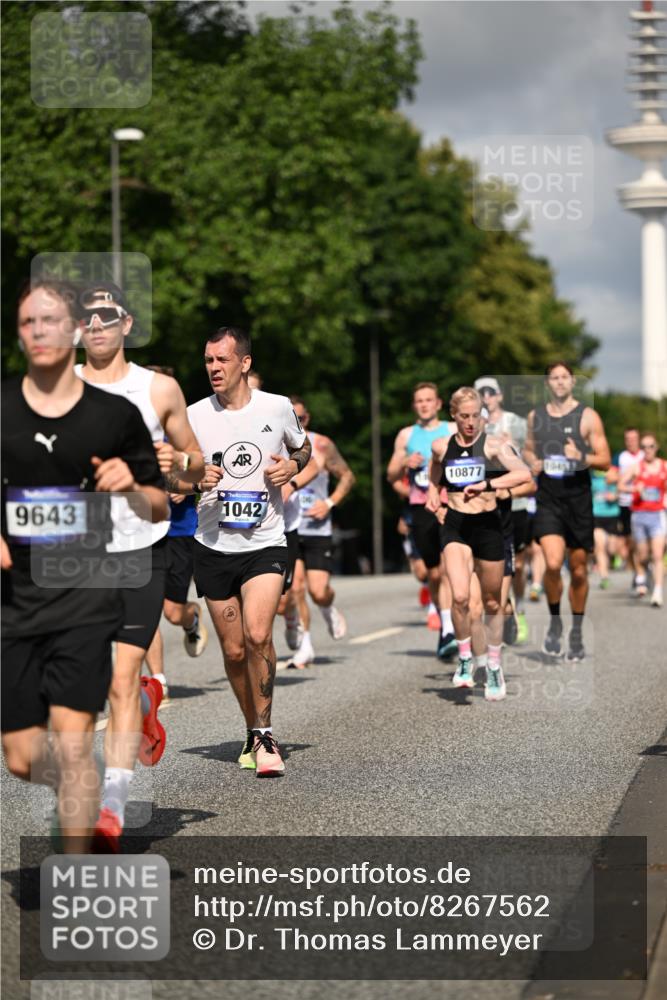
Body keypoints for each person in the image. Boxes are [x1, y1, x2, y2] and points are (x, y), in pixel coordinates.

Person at [2, 279, 166, 853]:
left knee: (72, 744)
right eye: (29, 322)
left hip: (87, 596)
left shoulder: (113, 415)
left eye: (51, 320)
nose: (40, 331)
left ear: (74, 330)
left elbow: (160, 502)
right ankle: (80, 783)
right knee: (23, 757)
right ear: (20, 333)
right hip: (16, 601)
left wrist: (131, 489)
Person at [76, 281, 204, 848]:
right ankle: (148, 703)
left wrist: (177, 465)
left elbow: (196, 468)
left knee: (122, 679)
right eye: (87, 316)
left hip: (142, 548)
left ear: (127, 323)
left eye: (107, 315)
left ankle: (111, 807)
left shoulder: (160, 390)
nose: (96, 325)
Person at [185, 326, 311, 776]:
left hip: (266, 542)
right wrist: (192, 480)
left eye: (222, 360)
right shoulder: (193, 415)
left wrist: (292, 467)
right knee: (235, 652)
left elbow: (304, 448)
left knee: (259, 635)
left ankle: (265, 732)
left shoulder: (276, 408)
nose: (214, 368)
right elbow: (171, 477)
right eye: (208, 361)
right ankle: (251, 727)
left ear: (245, 363)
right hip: (213, 545)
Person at [428, 387, 531, 701]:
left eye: (475, 416)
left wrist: (488, 483)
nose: (471, 422)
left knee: (491, 603)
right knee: (459, 597)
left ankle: (495, 664)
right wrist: (434, 491)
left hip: (488, 526)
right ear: (454, 416)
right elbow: (435, 471)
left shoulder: (494, 445)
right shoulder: (440, 446)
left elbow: (524, 474)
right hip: (456, 526)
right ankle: (464, 657)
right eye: (464, 416)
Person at [524, 362, 611, 661]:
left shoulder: (588, 416)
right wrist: (532, 461)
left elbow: (605, 460)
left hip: (578, 500)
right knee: (551, 562)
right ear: (548, 383)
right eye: (554, 378)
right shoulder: (536, 416)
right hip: (549, 499)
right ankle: (554, 622)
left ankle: (575, 629)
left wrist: (581, 456)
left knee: (577, 570)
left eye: (564, 377)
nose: (560, 383)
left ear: (573, 382)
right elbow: (528, 449)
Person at [143, 366, 209, 702]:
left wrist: (188, 487)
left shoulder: (184, 430)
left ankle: (191, 616)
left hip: (180, 529)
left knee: (171, 610)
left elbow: (205, 472)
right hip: (141, 530)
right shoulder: (130, 429)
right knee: (145, 607)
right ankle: (158, 679)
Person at [387, 382, 457, 658]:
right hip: (419, 509)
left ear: (438, 404)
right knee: (434, 573)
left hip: (450, 506)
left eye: (429, 400)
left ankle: (451, 629)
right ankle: (446, 625)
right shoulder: (406, 435)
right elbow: (391, 475)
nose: (424, 404)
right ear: (415, 405)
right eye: (419, 401)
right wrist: (405, 462)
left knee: (453, 568)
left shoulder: (451, 429)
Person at [284, 396, 355, 668]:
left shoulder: (322, 445)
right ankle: (305, 646)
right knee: (297, 587)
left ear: (308, 418)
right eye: (290, 418)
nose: (295, 423)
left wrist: (329, 503)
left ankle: (327, 607)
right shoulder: (273, 441)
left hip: (316, 529)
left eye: (300, 418)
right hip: (288, 527)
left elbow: (348, 476)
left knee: (318, 590)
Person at [475, 375, 531, 644]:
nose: (486, 396)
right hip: (480, 510)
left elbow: (531, 463)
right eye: (480, 393)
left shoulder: (515, 424)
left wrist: (513, 449)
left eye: (490, 392)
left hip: (514, 504)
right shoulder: (467, 429)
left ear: (499, 395)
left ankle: (516, 609)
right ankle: (502, 607)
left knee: (517, 565)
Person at [618, 433, 666, 607]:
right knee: (643, 554)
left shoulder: (664, 466)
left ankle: (658, 592)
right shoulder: (636, 467)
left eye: (651, 446)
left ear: (657, 447)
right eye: (644, 447)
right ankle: (643, 573)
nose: (647, 450)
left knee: (658, 554)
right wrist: (633, 489)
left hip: (658, 515)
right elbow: (620, 485)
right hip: (639, 515)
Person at [615, 428, 644, 585]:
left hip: (644, 504)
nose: (631, 441)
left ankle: (643, 570)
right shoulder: (620, 457)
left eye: (634, 438)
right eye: (628, 439)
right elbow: (611, 475)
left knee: (644, 540)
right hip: (626, 503)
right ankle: (637, 571)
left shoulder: (646, 454)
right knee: (631, 542)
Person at [591, 466, 621, 589]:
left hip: (612, 516)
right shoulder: (593, 479)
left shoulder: (614, 474)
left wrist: (615, 495)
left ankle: (613, 558)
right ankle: (604, 577)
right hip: (597, 516)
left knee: (611, 548)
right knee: (600, 547)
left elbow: (624, 483)